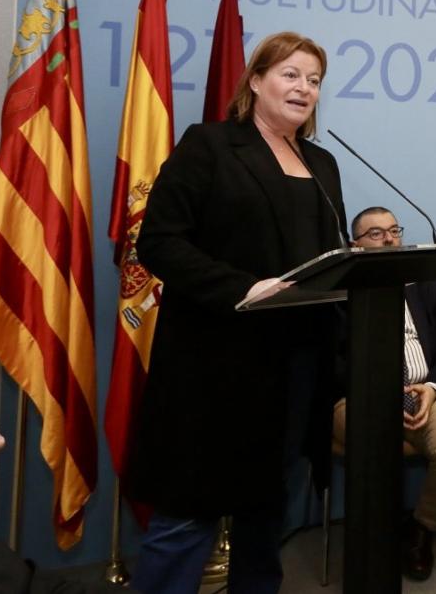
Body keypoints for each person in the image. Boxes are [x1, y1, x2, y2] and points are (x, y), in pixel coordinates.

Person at [128, 32, 345, 594]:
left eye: (314, 80)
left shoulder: (322, 163)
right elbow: (159, 242)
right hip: (214, 364)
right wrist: (245, 288)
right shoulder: (210, 145)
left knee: (268, 510)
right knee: (189, 512)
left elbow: (330, 255)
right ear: (256, 81)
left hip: (294, 366)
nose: (304, 88)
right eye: (291, 74)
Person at [333, 207, 436, 581]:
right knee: (372, 440)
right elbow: (332, 361)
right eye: (376, 233)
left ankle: (421, 529)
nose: (389, 239)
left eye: (394, 231)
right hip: (362, 396)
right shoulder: (339, 289)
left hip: (427, 390)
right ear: (356, 245)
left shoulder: (425, 282)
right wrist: (380, 393)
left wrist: (433, 388)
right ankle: (376, 536)